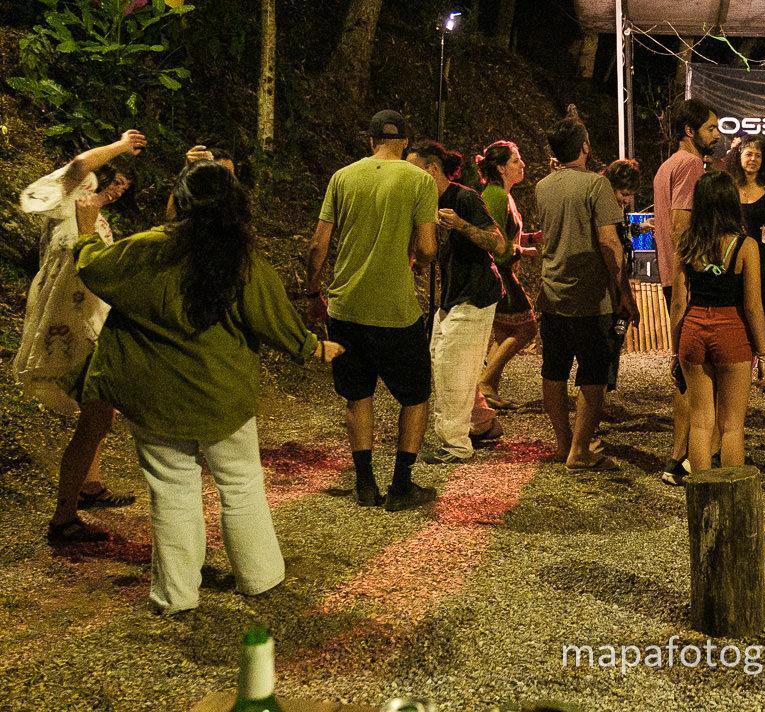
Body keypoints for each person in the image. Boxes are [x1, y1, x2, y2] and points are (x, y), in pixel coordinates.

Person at [77, 161, 344, 615]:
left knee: (172, 490)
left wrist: (86, 232)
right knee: (241, 484)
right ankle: (259, 578)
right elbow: (273, 319)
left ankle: (176, 595)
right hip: (223, 395)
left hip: (156, 398)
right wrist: (311, 347)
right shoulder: (243, 262)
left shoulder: (144, 251)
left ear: (177, 203)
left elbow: (93, 269)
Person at [304, 110, 439, 511]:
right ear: (405, 144)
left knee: (357, 395)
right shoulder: (420, 181)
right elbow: (429, 249)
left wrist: (314, 294)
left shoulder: (342, 178)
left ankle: (365, 484)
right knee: (415, 396)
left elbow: (318, 244)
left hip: (345, 307)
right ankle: (401, 486)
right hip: (396, 310)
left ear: (370, 141)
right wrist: (414, 249)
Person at [18, 130, 146, 545]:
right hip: (77, 333)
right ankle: (63, 518)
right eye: (92, 180)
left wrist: (109, 195)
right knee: (94, 418)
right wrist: (122, 145)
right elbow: (77, 167)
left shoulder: (77, 214)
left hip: (86, 327)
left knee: (98, 417)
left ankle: (87, 489)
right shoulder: (63, 202)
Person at [533, 116, 635, 470]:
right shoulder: (597, 186)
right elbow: (609, 242)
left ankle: (562, 443)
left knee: (554, 370)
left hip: (552, 292)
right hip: (592, 298)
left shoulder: (542, 186)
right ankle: (579, 449)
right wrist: (623, 288)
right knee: (593, 372)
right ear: (585, 147)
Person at [407, 142, 506, 464]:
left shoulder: (464, 198)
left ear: (432, 170)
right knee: (442, 359)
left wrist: (461, 225)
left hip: (476, 294)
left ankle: (455, 445)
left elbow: (497, 242)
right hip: (452, 295)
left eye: (414, 170)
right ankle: (482, 422)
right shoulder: (424, 204)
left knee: (452, 366)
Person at [669, 171, 765, 474]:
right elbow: (753, 306)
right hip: (732, 332)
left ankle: (701, 497)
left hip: (694, 330)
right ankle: (729, 502)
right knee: (731, 426)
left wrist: (675, 351)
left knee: (700, 422)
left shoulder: (687, 243)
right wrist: (763, 354)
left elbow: (678, 303)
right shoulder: (746, 246)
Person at [654, 99, 720, 485]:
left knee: (687, 365)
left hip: (670, 275)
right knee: (692, 370)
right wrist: (694, 272)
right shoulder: (691, 165)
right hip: (685, 278)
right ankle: (682, 457)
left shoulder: (667, 166)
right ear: (690, 132)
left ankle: (686, 453)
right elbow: (681, 225)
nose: (717, 134)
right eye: (711, 128)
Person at [473, 140, 540, 410]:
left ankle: (487, 392)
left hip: (502, 269)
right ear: (501, 168)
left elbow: (507, 232)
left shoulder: (504, 195)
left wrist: (531, 238)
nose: (522, 165)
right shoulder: (495, 196)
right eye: (515, 161)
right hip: (499, 272)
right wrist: (523, 251)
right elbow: (496, 241)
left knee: (503, 332)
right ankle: (485, 382)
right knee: (526, 328)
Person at [727, 135, 765, 390]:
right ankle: (738, 363)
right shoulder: (729, 185)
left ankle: (764, 366)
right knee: (735, 308)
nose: (753, 159)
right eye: (748, 154)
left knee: (759, 310)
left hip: (762, 258)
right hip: (734, 255)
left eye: (757, 155)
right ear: (739, 157)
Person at [602, 158, 644, 394]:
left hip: (620, 280)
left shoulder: (618, 210)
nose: (627, 200)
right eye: (624, 193)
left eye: (630, 195)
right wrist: (624, 293)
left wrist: (638, 229)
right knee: (609, 340)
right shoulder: (605, 211)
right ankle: (600, 392)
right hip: (613, 285)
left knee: (615, 339)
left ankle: (605, 390)